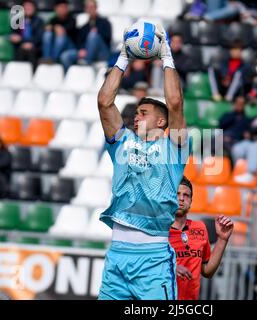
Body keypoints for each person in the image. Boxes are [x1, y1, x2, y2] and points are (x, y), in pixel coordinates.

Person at [97, 24, 189, 300]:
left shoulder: (174, 148)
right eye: (136, 112)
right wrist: (124, 57)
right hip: (117, 256)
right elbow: (104, 102)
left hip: (153, 258)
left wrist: (166, 57)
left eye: (143, 112)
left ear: (161, 122)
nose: (136, 117)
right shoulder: (123, 142)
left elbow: (174, 103)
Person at [169, 177, 234, 300]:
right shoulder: (158, 229)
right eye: (177, 194)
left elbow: (207, 271)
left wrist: (222, 239)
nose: (181, 198)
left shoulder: (200, 228)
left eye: (186, 195)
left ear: (191, 201)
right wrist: (171, 268)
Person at [60, 0, 111, 70]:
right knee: (65, 56)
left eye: (92, 7)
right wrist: (81, 50)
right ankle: (71, 76)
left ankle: (86, 66)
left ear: (96, 8)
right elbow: (79, 42)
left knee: (93, 35)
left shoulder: (105, 22)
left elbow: (107, 38)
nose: (90, 9)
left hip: (101, 53)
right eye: (88, 7)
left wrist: (97, 33)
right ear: (85, 9)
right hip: (86, 52)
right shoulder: (84, 27)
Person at [10, 0, 45, 68]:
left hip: (34, 47)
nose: (28, 9)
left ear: (34, 8)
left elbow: (38, 38)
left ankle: (32, 76)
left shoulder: (39, 21)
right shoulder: (16, 20)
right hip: (20, 47)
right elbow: (13, 35)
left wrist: (24, 41)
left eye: (30, 7)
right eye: (26, 7)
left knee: (31, 52)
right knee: (20, 52)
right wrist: (14, 38)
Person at [41, 0, 77, 64]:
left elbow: (65, 31)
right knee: (47, 34)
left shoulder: (72, 20)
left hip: (69, 46)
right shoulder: (53, 20)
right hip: (55, 45)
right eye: (60, 7)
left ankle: (53, 60)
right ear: (56, 8)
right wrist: (54, 28)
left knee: (61, 37)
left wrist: (55, 28)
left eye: (64, 7)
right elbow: (47, 28)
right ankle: (46, 58)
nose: (62, 9)